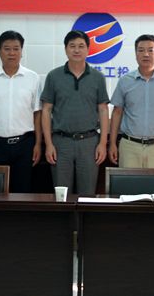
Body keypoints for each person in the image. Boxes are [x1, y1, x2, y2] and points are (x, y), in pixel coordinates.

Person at [41, 30, 109, 195]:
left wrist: (102, 143)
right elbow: (46, 110)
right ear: (66, 49)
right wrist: (49, 144)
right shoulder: (54, 76)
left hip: (89, 143)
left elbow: (103, 110)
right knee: (61, 195)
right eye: (72, 46)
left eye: (81, 46)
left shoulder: (98, 77)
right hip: (61, 142)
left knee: (88, 194)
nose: (76, 50)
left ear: (88, 49)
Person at [0, 30, 42, 193]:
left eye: (16, 49)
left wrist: (38, 144)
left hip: (24, 144)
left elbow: (37, 114)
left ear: (21, 51)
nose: (11, 53)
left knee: (22, 192)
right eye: (7, 49)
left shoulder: (33, 78)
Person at [109, 34, 154, 168]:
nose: (146, 54)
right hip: (129, 145)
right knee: (128, 182)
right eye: (141, 50)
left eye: (150, 50)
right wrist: (112, 143)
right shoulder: (125, 81)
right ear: (136, 54)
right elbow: (117, 112)